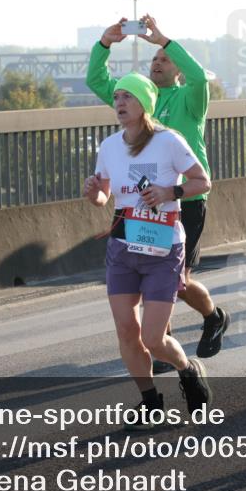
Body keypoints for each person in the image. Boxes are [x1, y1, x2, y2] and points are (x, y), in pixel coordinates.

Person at [88, 15, 229, 372]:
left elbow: (199, 76)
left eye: (164, 60)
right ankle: (161, 350)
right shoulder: (138, 100)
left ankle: (212, 316)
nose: (157, 62)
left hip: (186, 199)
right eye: (154, 60)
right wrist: (105, 42)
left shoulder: (189, 98)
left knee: (178, 281)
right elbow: (97, 80)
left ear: (177, 69)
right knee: (158, 274)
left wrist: (163, 40)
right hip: (139, 209)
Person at [83, 73, 212, 426]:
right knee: (126, 330)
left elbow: (203, 181)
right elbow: (102, 197)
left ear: (144, 104)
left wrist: (171, 193)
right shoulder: (109, 146)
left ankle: (187, 370)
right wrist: (93, 190)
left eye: (128, 97)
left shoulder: (169, 141)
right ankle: (150, 401)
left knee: (153, 338)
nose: (119, 102)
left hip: (163, 247)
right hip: (123, 246)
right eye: (117, 97)